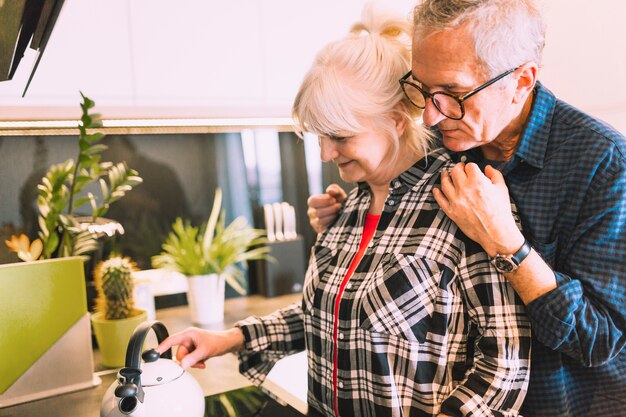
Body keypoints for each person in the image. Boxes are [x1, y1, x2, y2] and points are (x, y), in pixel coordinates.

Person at [157, 5, 531, 417]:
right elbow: (328, 318)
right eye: (320, 136)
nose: (325, 154)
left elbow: (506, 358)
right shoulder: (350, 206)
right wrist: (229, 338)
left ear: (395, 121)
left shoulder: (464, 201)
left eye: (340, 136)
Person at [307, 1, 626, 416]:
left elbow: (600, 339)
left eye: (453, 94)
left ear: (521, 81)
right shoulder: (446, 142)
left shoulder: (602, 162)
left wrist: (505, 242)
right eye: (421, 88)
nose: (430, 115)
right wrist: (353, 219)